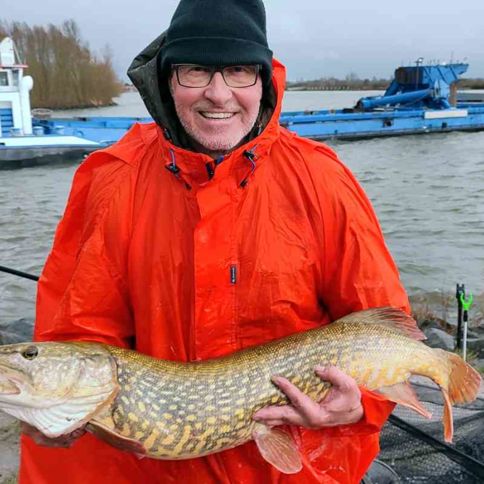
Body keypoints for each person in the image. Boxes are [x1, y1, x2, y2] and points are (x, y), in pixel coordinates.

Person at [19, 0, 410, 482]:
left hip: (288, 469)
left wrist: (359, 405)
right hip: (148, 471)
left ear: (263, 79)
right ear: (168, 78)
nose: (219, 94)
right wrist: (53, 407)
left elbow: (387, 333)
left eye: (239, 71)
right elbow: (77, 330)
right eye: (196, 71)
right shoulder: (112, 179)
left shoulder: (321, 180)